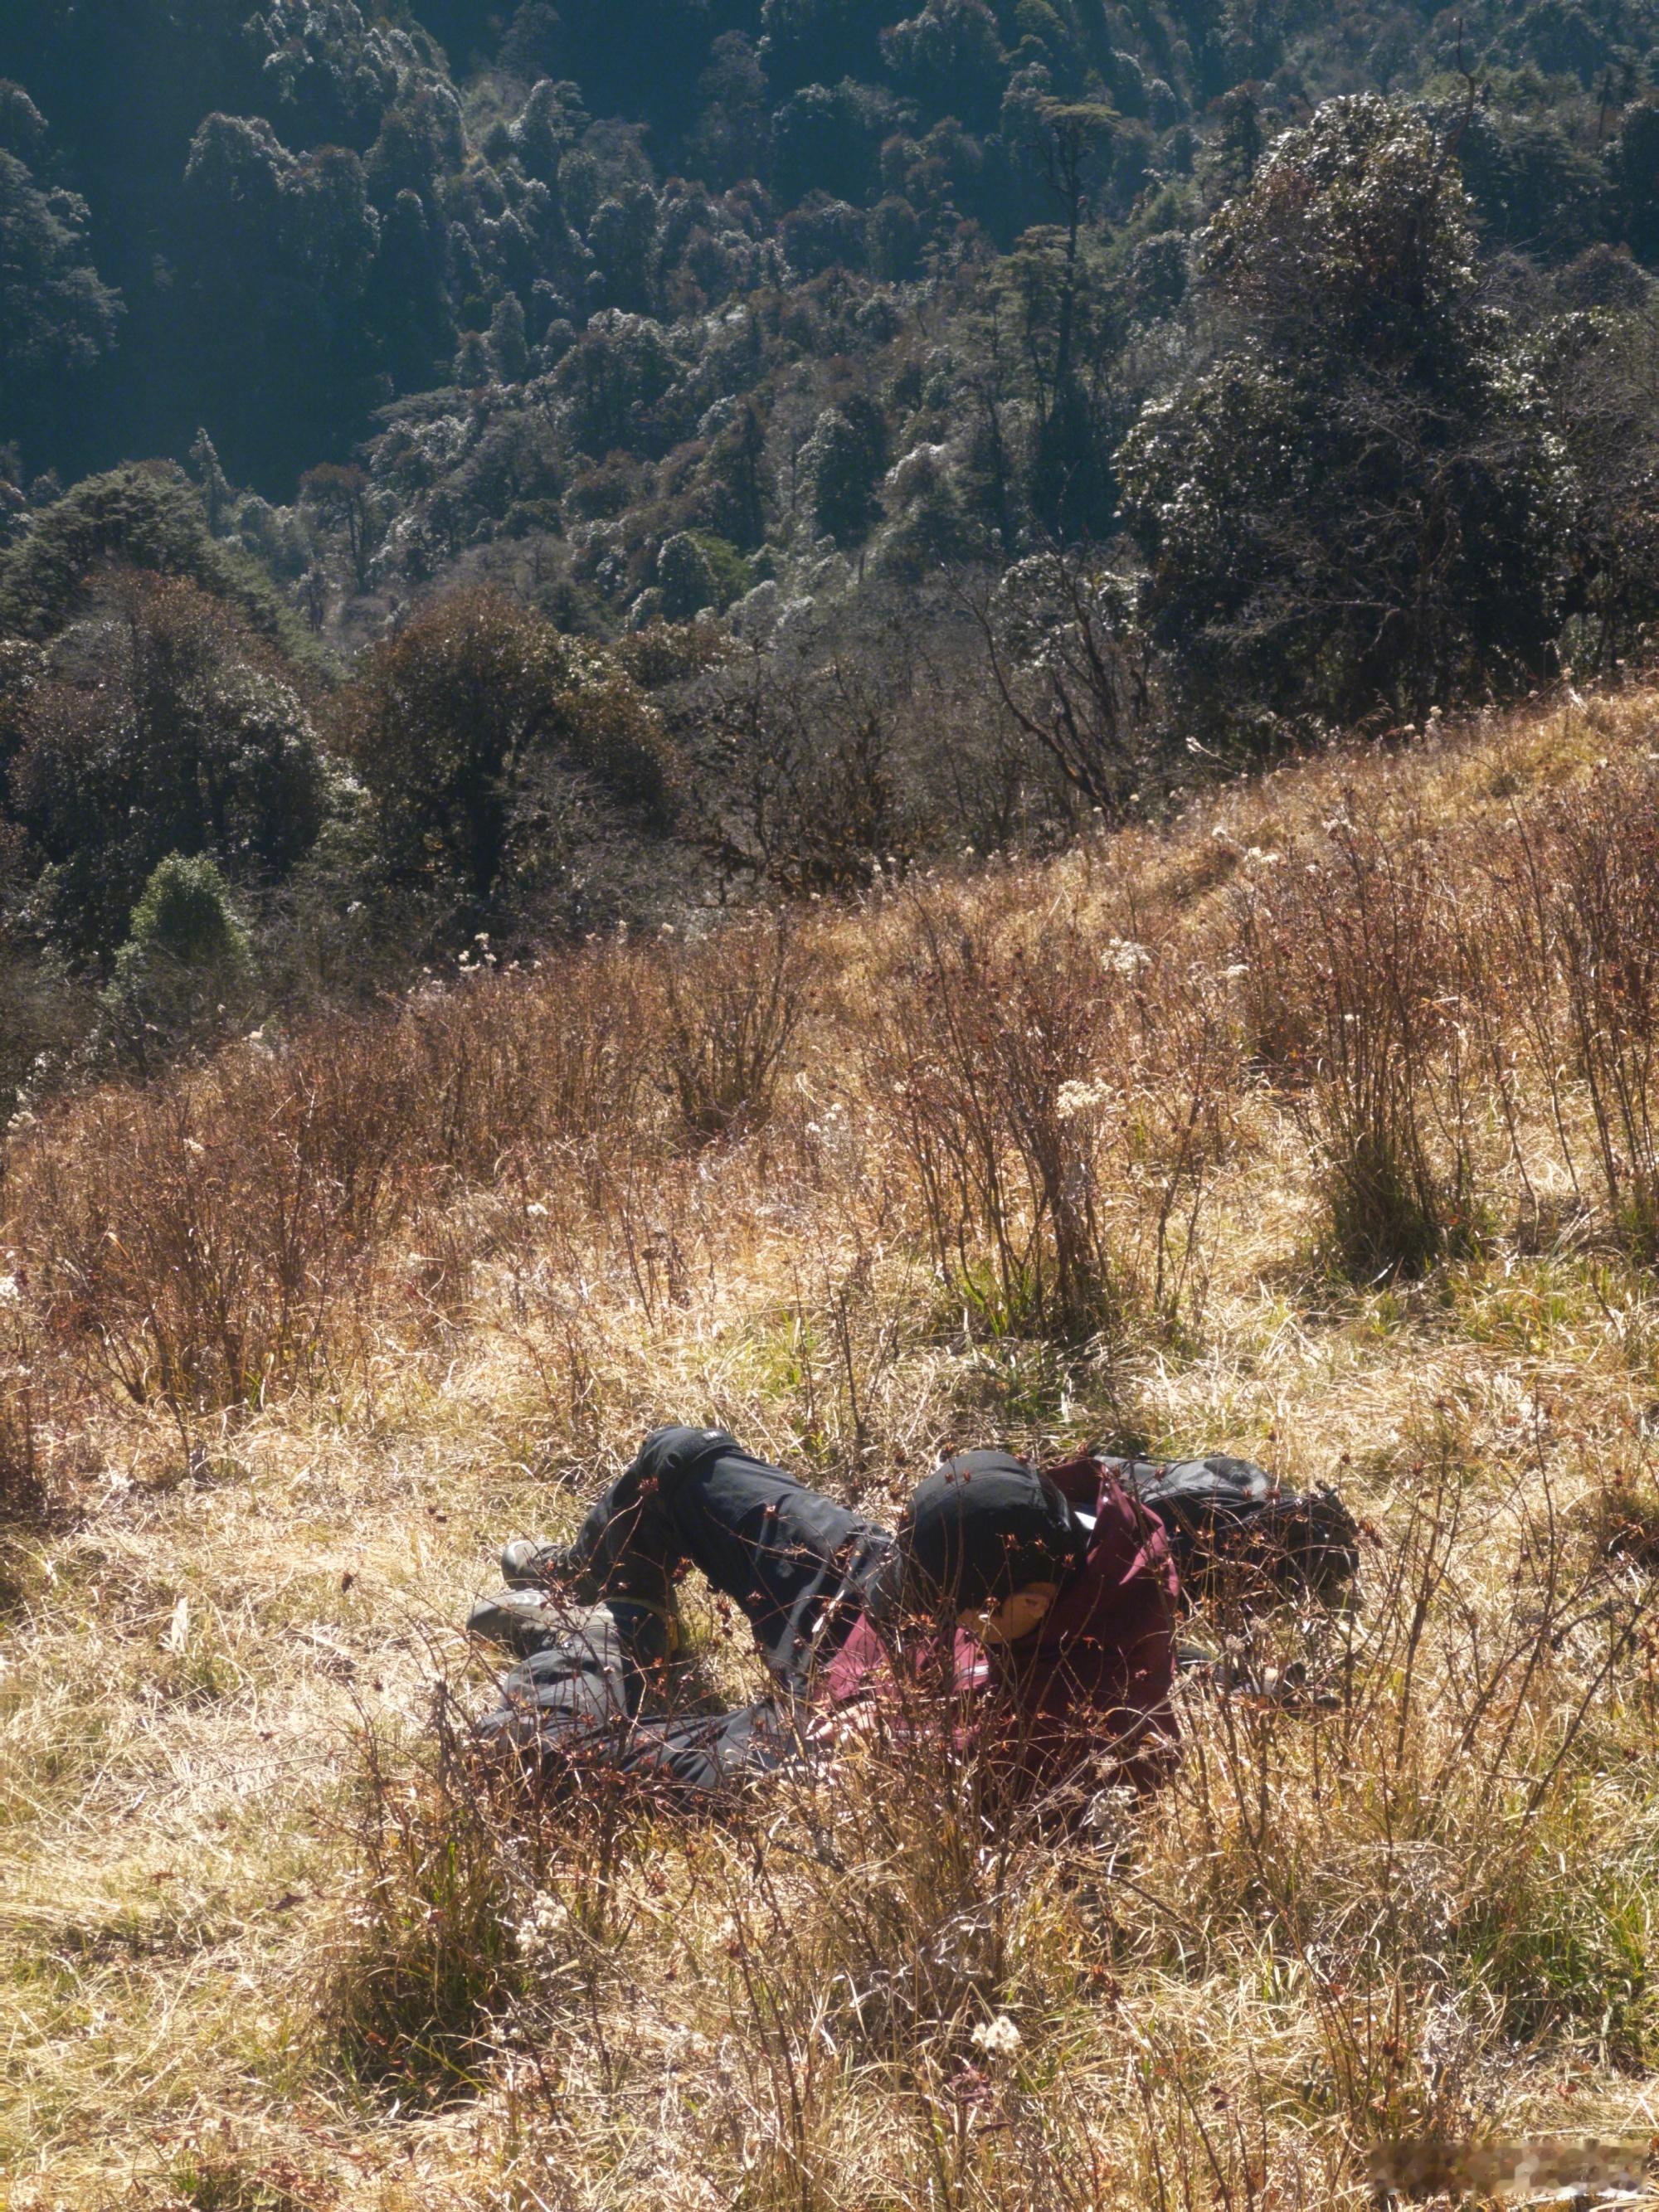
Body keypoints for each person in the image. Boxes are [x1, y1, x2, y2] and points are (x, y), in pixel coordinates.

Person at [469, 1426, 1180, 1805]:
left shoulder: (1095, 1697)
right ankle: (602, 1588)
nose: (919, 1617)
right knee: (679, 1458)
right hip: (859, 1650)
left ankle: (596, 1639)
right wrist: (874, 1662)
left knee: (524, 1744)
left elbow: (981, 1780)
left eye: (940, 1609)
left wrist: (880, 1730)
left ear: (1026, 1606)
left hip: (840, 1742)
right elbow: (904, 1606)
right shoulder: (1043, 1532)